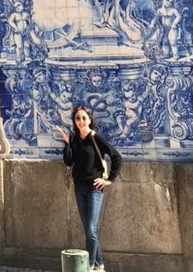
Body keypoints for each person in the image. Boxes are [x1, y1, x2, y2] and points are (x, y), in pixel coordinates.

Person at [58, 106, 122, 272]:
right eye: (77, 118)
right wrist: (67, 143)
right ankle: (99, 265)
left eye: (83, 118)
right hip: (79, 188)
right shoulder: (74, 139)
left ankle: (90, 265)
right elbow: (68, 161)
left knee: (91, 229)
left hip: (94, 188)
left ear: (89, 120)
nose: (80, 121)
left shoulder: (95, 138)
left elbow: (116, 157)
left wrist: (109, 180)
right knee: (89, 230)